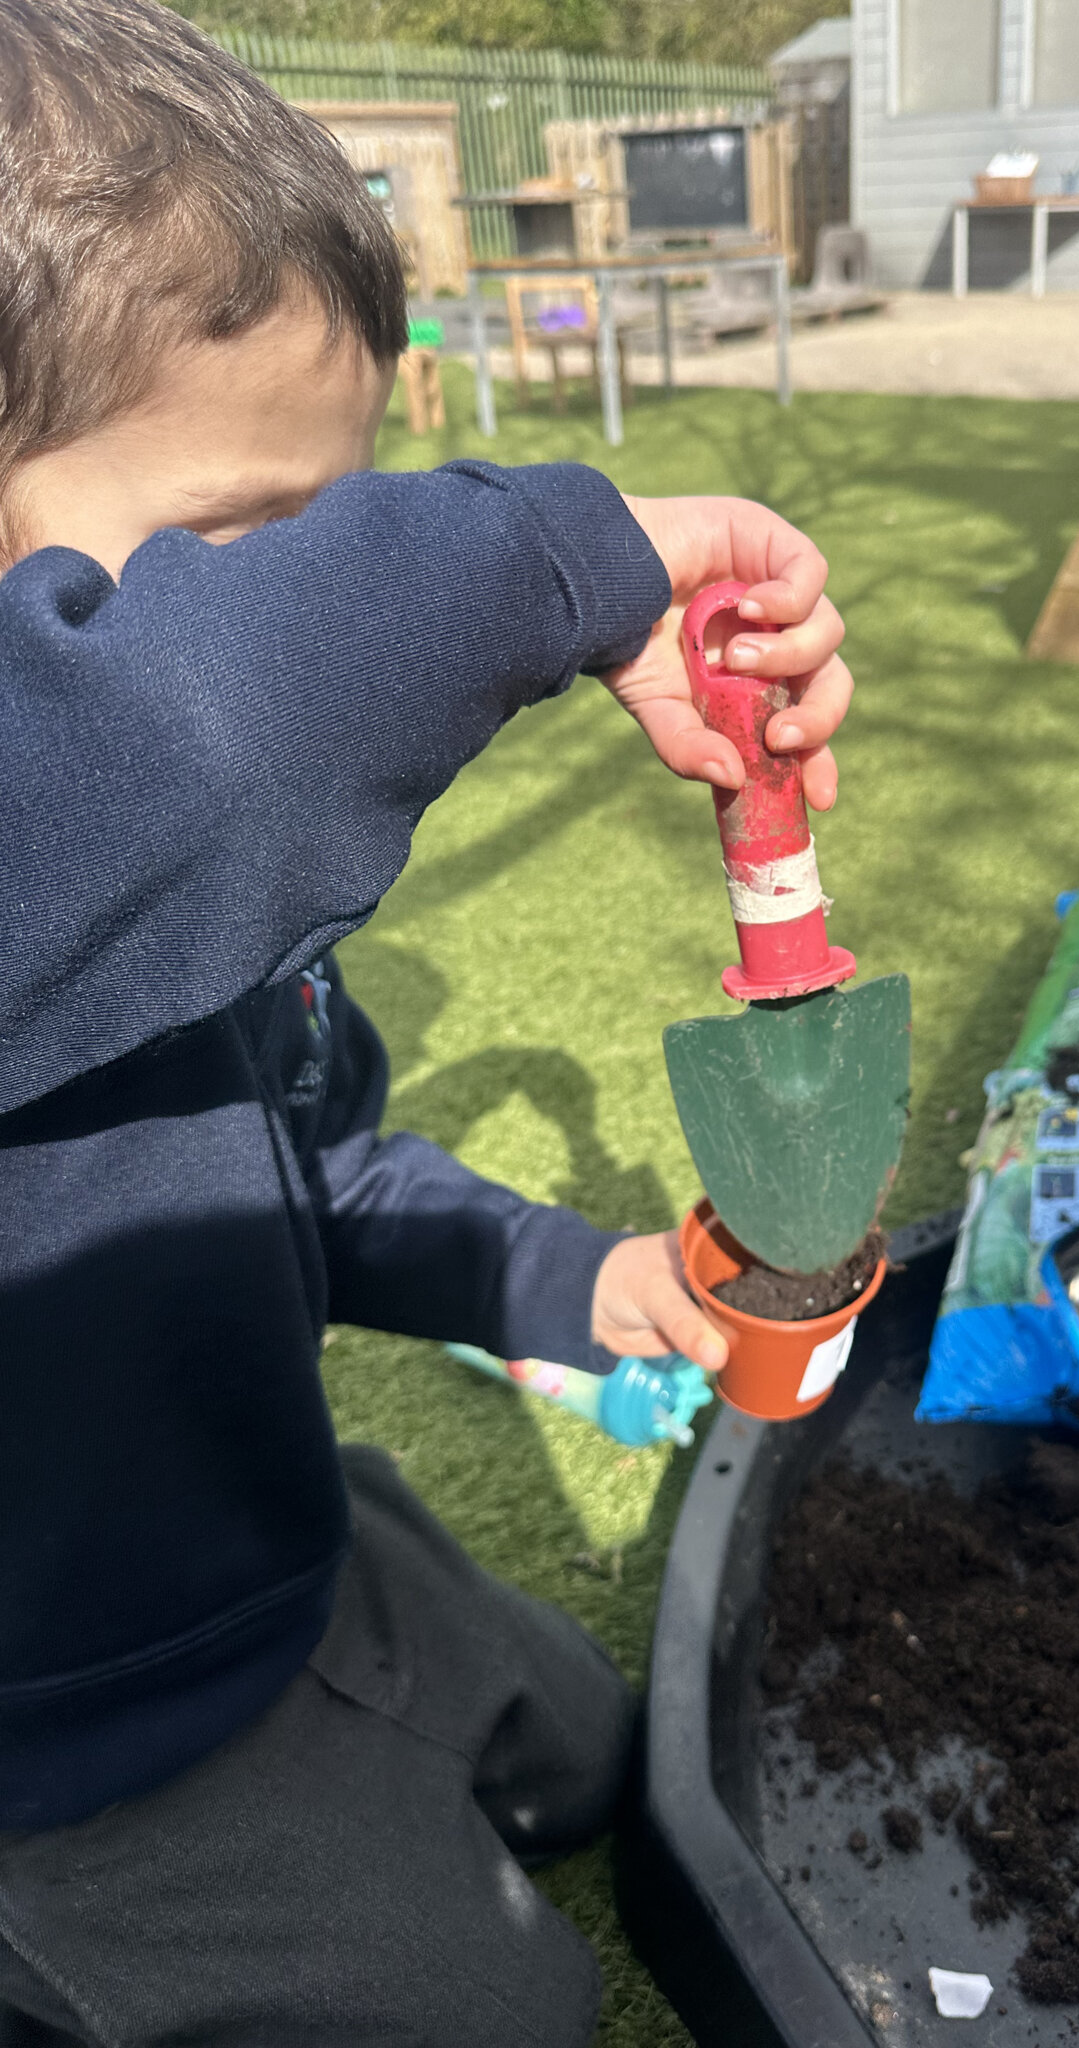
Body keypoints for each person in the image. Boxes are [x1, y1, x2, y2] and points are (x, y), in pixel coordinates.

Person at [0, 3, 854, 2043]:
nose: (299, 605)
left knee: (588, 1735)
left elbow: (318, 1157)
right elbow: (194, 744)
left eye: (336, 521)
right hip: (68, 1738)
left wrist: (591, 1278)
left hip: (265, 1531)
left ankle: (335, 1630)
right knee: (513, 2010)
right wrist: (559, 558)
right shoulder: (68, 814)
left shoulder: (200, 907)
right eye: (233, 547)